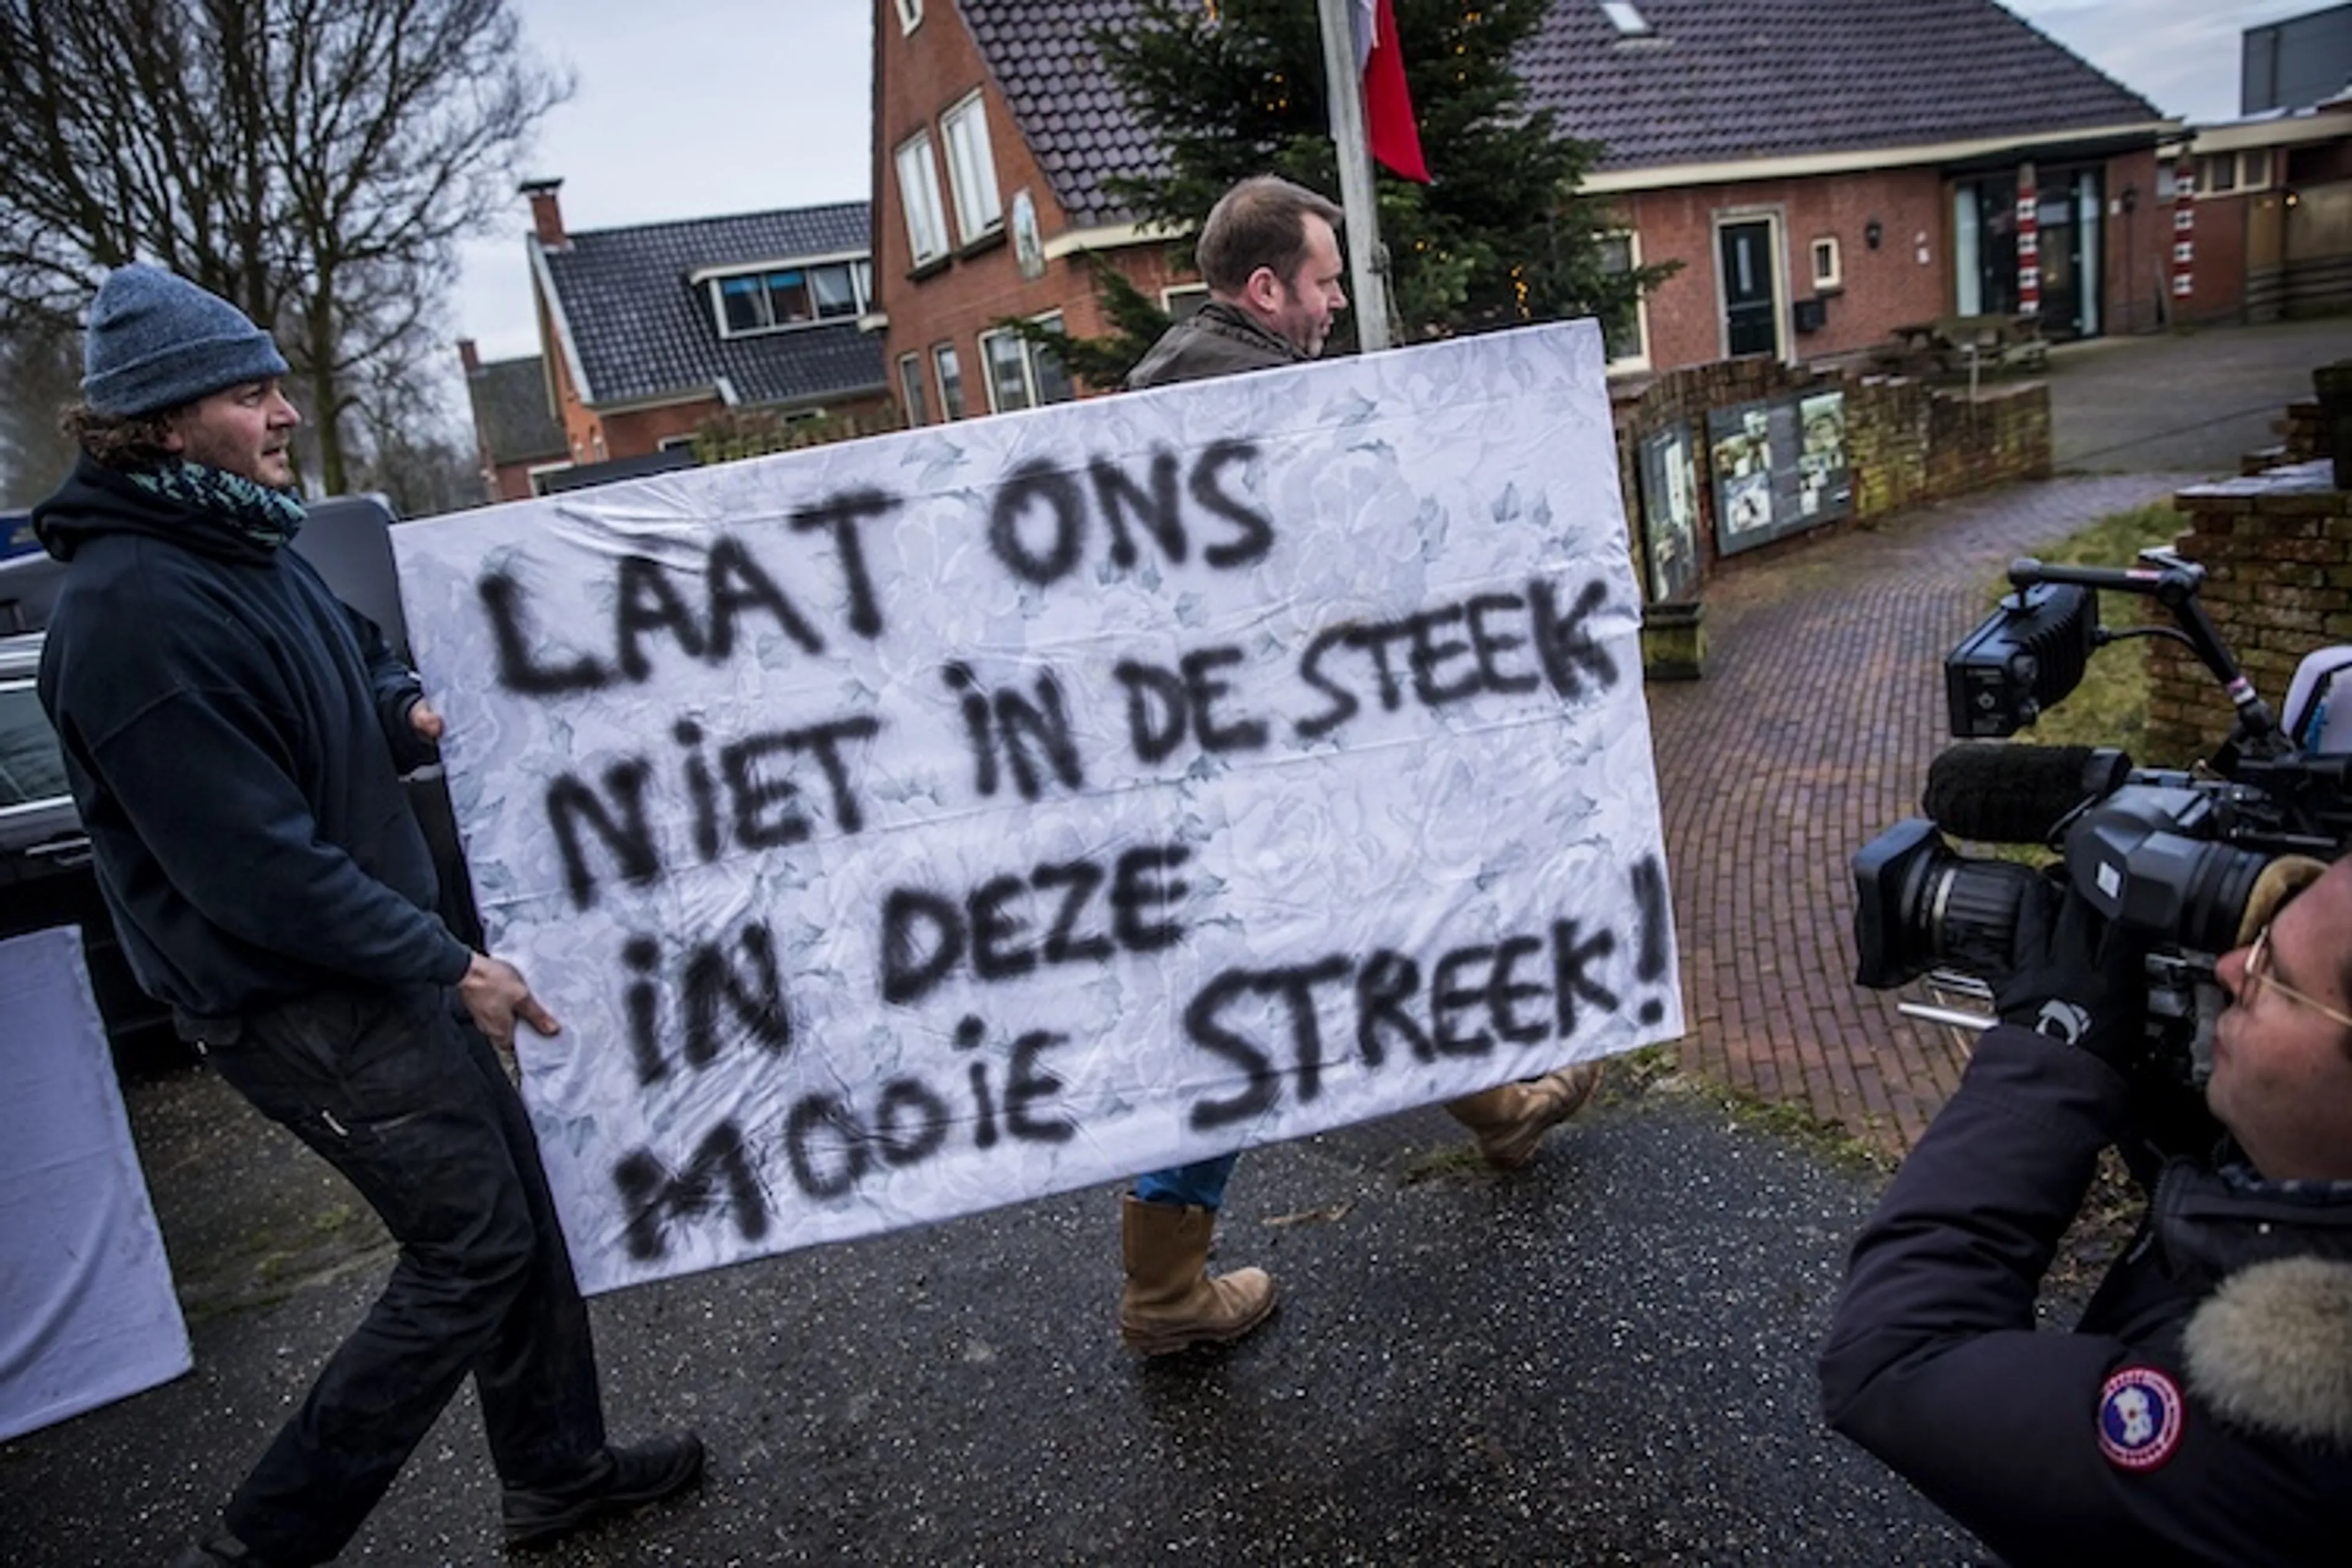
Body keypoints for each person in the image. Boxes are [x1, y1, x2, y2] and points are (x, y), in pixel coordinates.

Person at [32, 265, 706, 1566]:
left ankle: (557, 1471)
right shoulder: (130, 616)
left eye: (279, 385)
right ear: (165, 422)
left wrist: (407, 705)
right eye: (252, 392)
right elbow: (257, 872)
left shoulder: (239, 541)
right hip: (296, 1003)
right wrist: (451, 961)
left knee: (522, 1213)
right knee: (468, 1248)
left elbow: (355, 645)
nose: (286, 413)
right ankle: (265, 1541)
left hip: (380, 968)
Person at [1113, 175, 1606, 1356]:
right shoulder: (1277, 416)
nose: (1339, 302)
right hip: (1281, 775)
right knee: (1242, 1019)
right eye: (1327, 281)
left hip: (1220, 768)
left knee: (1369, 951)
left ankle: (1502, 1114)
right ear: (1269, 286)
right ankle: (1167, 1296)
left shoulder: (1144, 401)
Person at [1819, 849, 2352, 1564]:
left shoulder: (2283, 1426)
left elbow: (1895, 1359)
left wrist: (2049, 1060)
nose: (2229, 969)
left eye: (2273, 976)